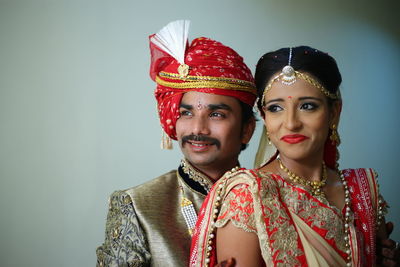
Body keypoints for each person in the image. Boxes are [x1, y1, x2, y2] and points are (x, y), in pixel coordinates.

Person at [190, 46, 397, 266]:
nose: (291, 123)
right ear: (264, 116)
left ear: (334, 112)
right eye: (276, 108)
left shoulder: (361, 190)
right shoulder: (248, 197)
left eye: (307, 106)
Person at [96, 20, 257, 267]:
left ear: (247, 129)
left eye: (216, 114)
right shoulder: (136, 206)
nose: (197, 129)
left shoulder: (266, 198)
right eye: (186, 113)